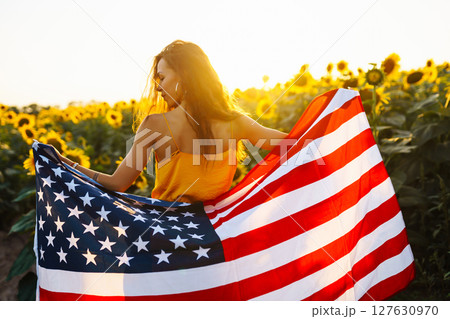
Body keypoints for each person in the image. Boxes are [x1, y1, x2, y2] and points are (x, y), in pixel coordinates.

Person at [53, 40, 288, 203]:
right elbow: (295, 145)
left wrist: (63, 163)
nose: (157, 87)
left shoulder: (154, 125)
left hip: (164, 236)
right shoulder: (236, 123)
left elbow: (117, 183)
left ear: (184, 77)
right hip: (216, 235)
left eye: (162, 77)